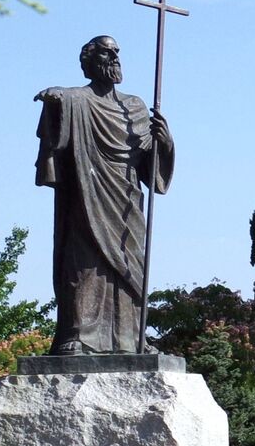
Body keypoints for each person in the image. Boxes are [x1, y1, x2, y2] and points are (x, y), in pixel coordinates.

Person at [34, 35, 174, 354]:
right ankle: (79, 335)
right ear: (89, 62)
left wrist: (164, 143)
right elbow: (65, 98)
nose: (114, 57)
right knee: (85, 264)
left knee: (128, 266)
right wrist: (58, 99)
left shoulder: (134, 107)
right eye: (107, 52)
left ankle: (131, 339)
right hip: (87, 193)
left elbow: (150, 173)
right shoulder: (77, 99)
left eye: (117, 52)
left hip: (125, 201)